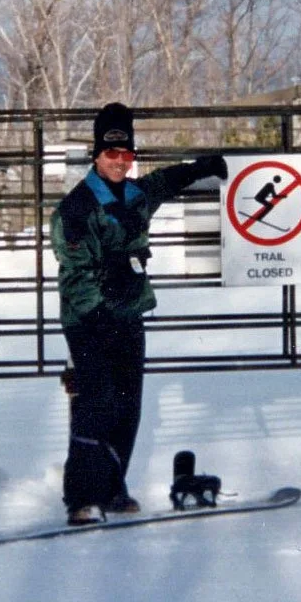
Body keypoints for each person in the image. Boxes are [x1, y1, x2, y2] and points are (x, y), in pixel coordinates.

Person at [50, 102, 227, 525]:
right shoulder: (77, 208)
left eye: (126, 155)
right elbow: (74, 275)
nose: (119, 162)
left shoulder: (134, 196)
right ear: (96, 155)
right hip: (89, 320)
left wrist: (200, 167)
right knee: (97, 401)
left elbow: (164, 182)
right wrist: (98, 318)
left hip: (128, 314)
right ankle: (82, 499)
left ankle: (113, 489)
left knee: (128, 405)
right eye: (111, 154)